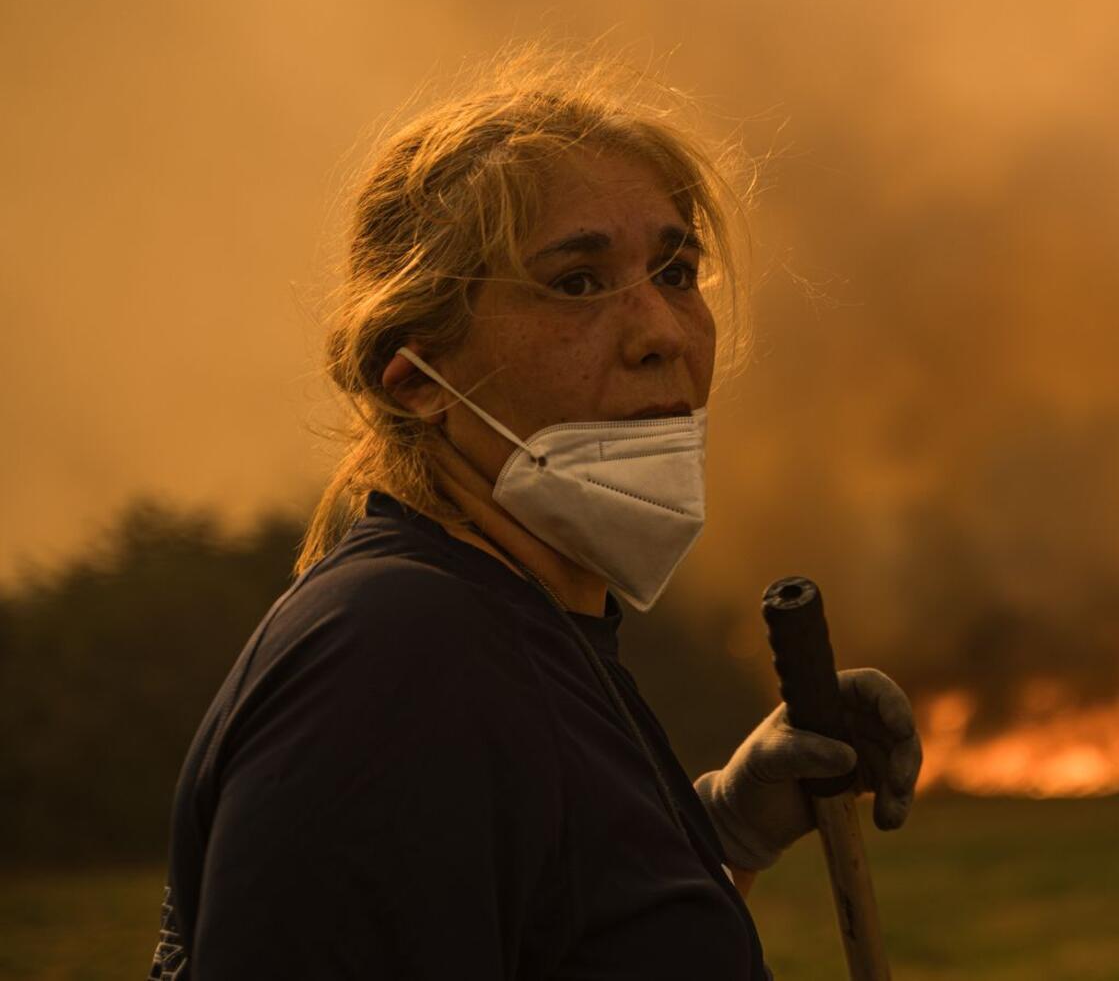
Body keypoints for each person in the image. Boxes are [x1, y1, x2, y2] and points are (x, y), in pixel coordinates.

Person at [151, 49, 919, 980]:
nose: (664, 334)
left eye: (676, 272)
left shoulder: (529, 630)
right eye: (577, 284)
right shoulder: (396, 656)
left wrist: (723, 831)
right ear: (417, 377)